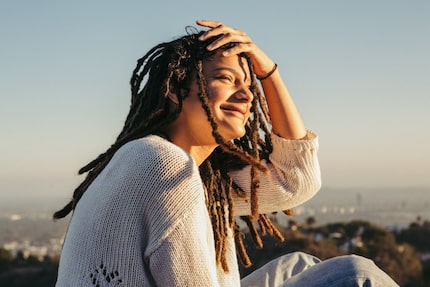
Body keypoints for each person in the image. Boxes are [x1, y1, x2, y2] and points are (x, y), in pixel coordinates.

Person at [54, 20, 399, 286]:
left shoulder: (195, 174)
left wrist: (268, 72)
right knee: (353, 275)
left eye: (250, 85)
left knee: (300, 265)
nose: (247, 96)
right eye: (227, 78)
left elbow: (296, 181)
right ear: (175, 89)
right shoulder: (163, 165)